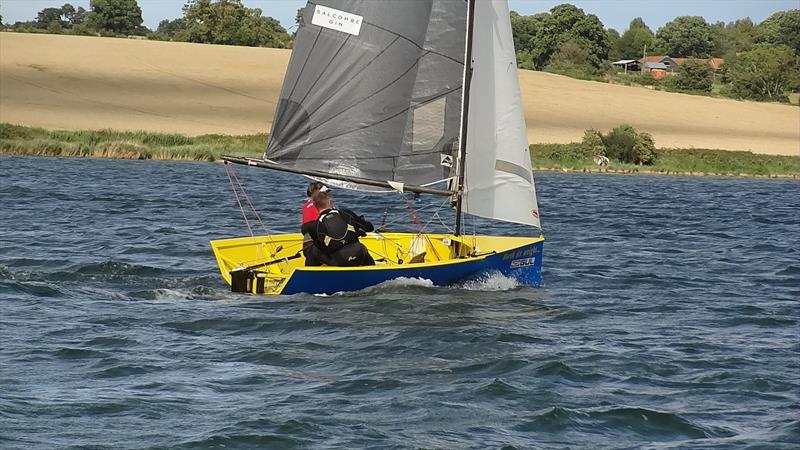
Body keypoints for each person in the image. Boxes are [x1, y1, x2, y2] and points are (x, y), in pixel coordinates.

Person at [309, 189, 375, 267]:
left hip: (340, 262)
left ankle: (309, 274)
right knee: (361, 247)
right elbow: (369, 228)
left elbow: (321, 247)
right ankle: (372, 268)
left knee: (314, 250)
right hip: (359, 256)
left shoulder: (315, 225)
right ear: (330, 202)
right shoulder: (345, 213)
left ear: (315, 206)